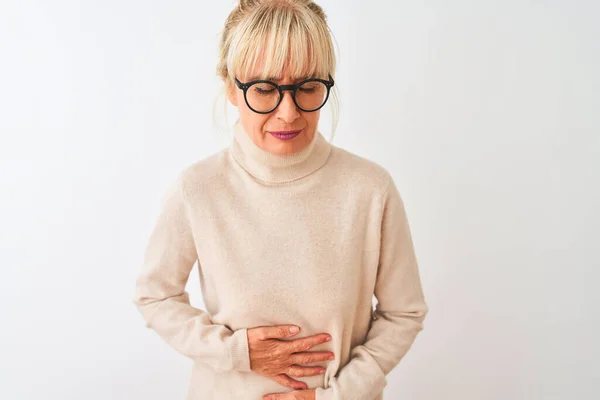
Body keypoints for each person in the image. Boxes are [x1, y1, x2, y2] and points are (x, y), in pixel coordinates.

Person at [132, 1, 429, 399]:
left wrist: (335, 396)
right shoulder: (197, 188)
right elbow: (155, 295)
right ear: (231, 89)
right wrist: (237, 353)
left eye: (307, 87)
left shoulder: (370, 188)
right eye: (265, 89)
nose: (288, 113)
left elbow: (403, 312)